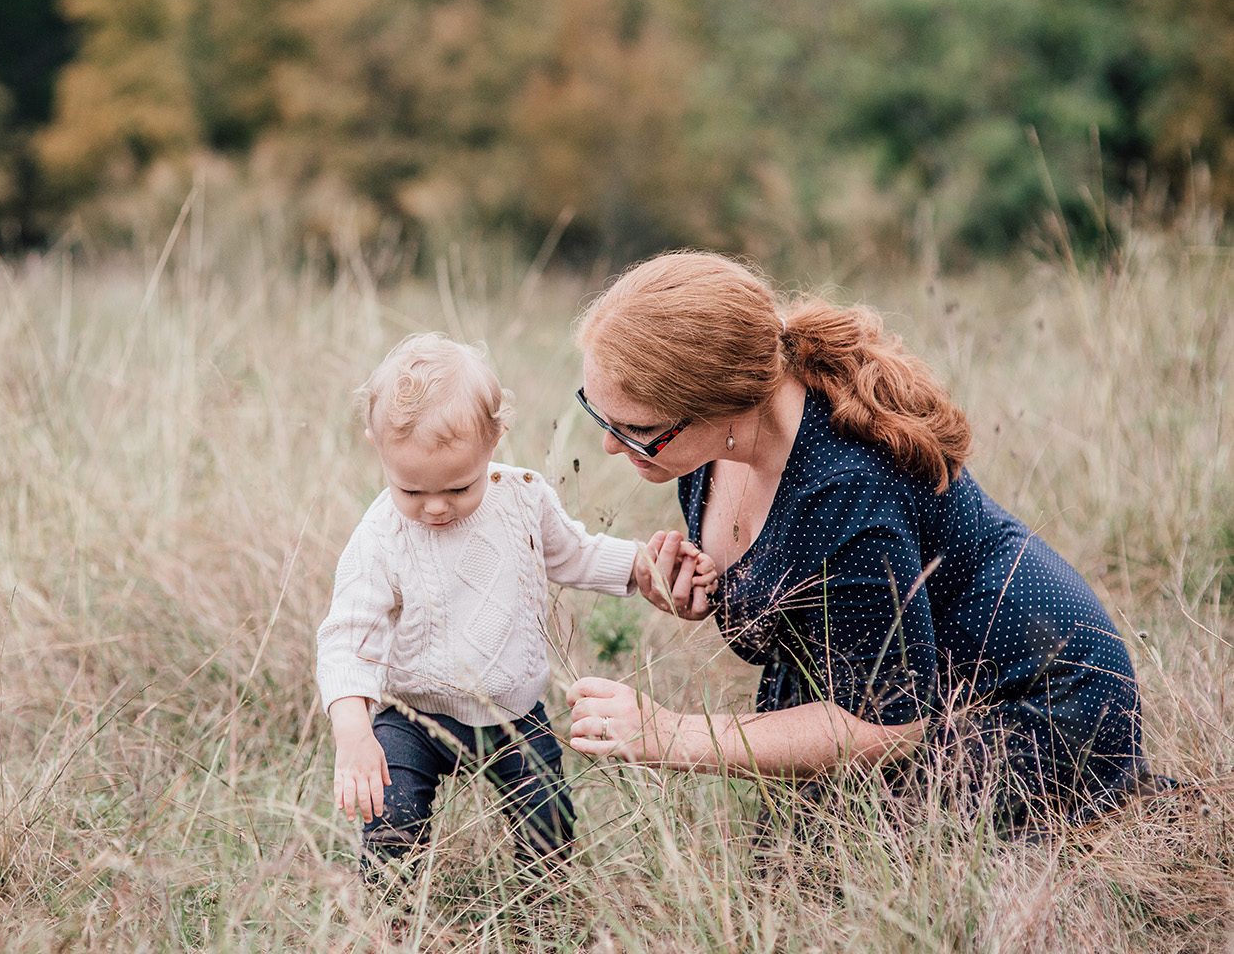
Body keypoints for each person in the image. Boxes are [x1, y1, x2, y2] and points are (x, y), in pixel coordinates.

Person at [564, 251, 1148, 832]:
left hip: (1036, 703)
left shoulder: (845, 494)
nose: (614, 446)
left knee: (864, 873)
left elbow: (889, 725)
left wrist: (670, 735)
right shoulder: (700, 450)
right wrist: (706, 586)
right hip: (914, 688)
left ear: (724, 406)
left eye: (635, 430)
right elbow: (803, 601)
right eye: (600, 415)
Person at [315, 332, 715, 881]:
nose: (434, 508)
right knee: (391, 815)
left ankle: (540, 917)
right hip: (414, 712)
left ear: (495, 439)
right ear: (376, 447)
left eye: (458, 487)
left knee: (547, 824)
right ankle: (394, 917)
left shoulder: (523, 497)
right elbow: (346, 635)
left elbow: (573, 554)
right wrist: (353, 730)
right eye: (410, 491)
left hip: (515, 710)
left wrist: (638, 566)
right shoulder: (381, 534)